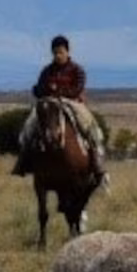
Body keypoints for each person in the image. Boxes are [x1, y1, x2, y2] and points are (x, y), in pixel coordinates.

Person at [10, 35, 107, 185]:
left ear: (67, 52)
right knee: (29, 126)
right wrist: (42, 90)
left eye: (61, 52)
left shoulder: (77, 70)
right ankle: (23, 161)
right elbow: (38, 89)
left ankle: (97, 162)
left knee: (89, 124)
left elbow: (78, 88)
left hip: (72, 102)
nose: (58, 55)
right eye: (55, 52)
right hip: (49, 103)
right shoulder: (46, 71)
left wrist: (60, 92)